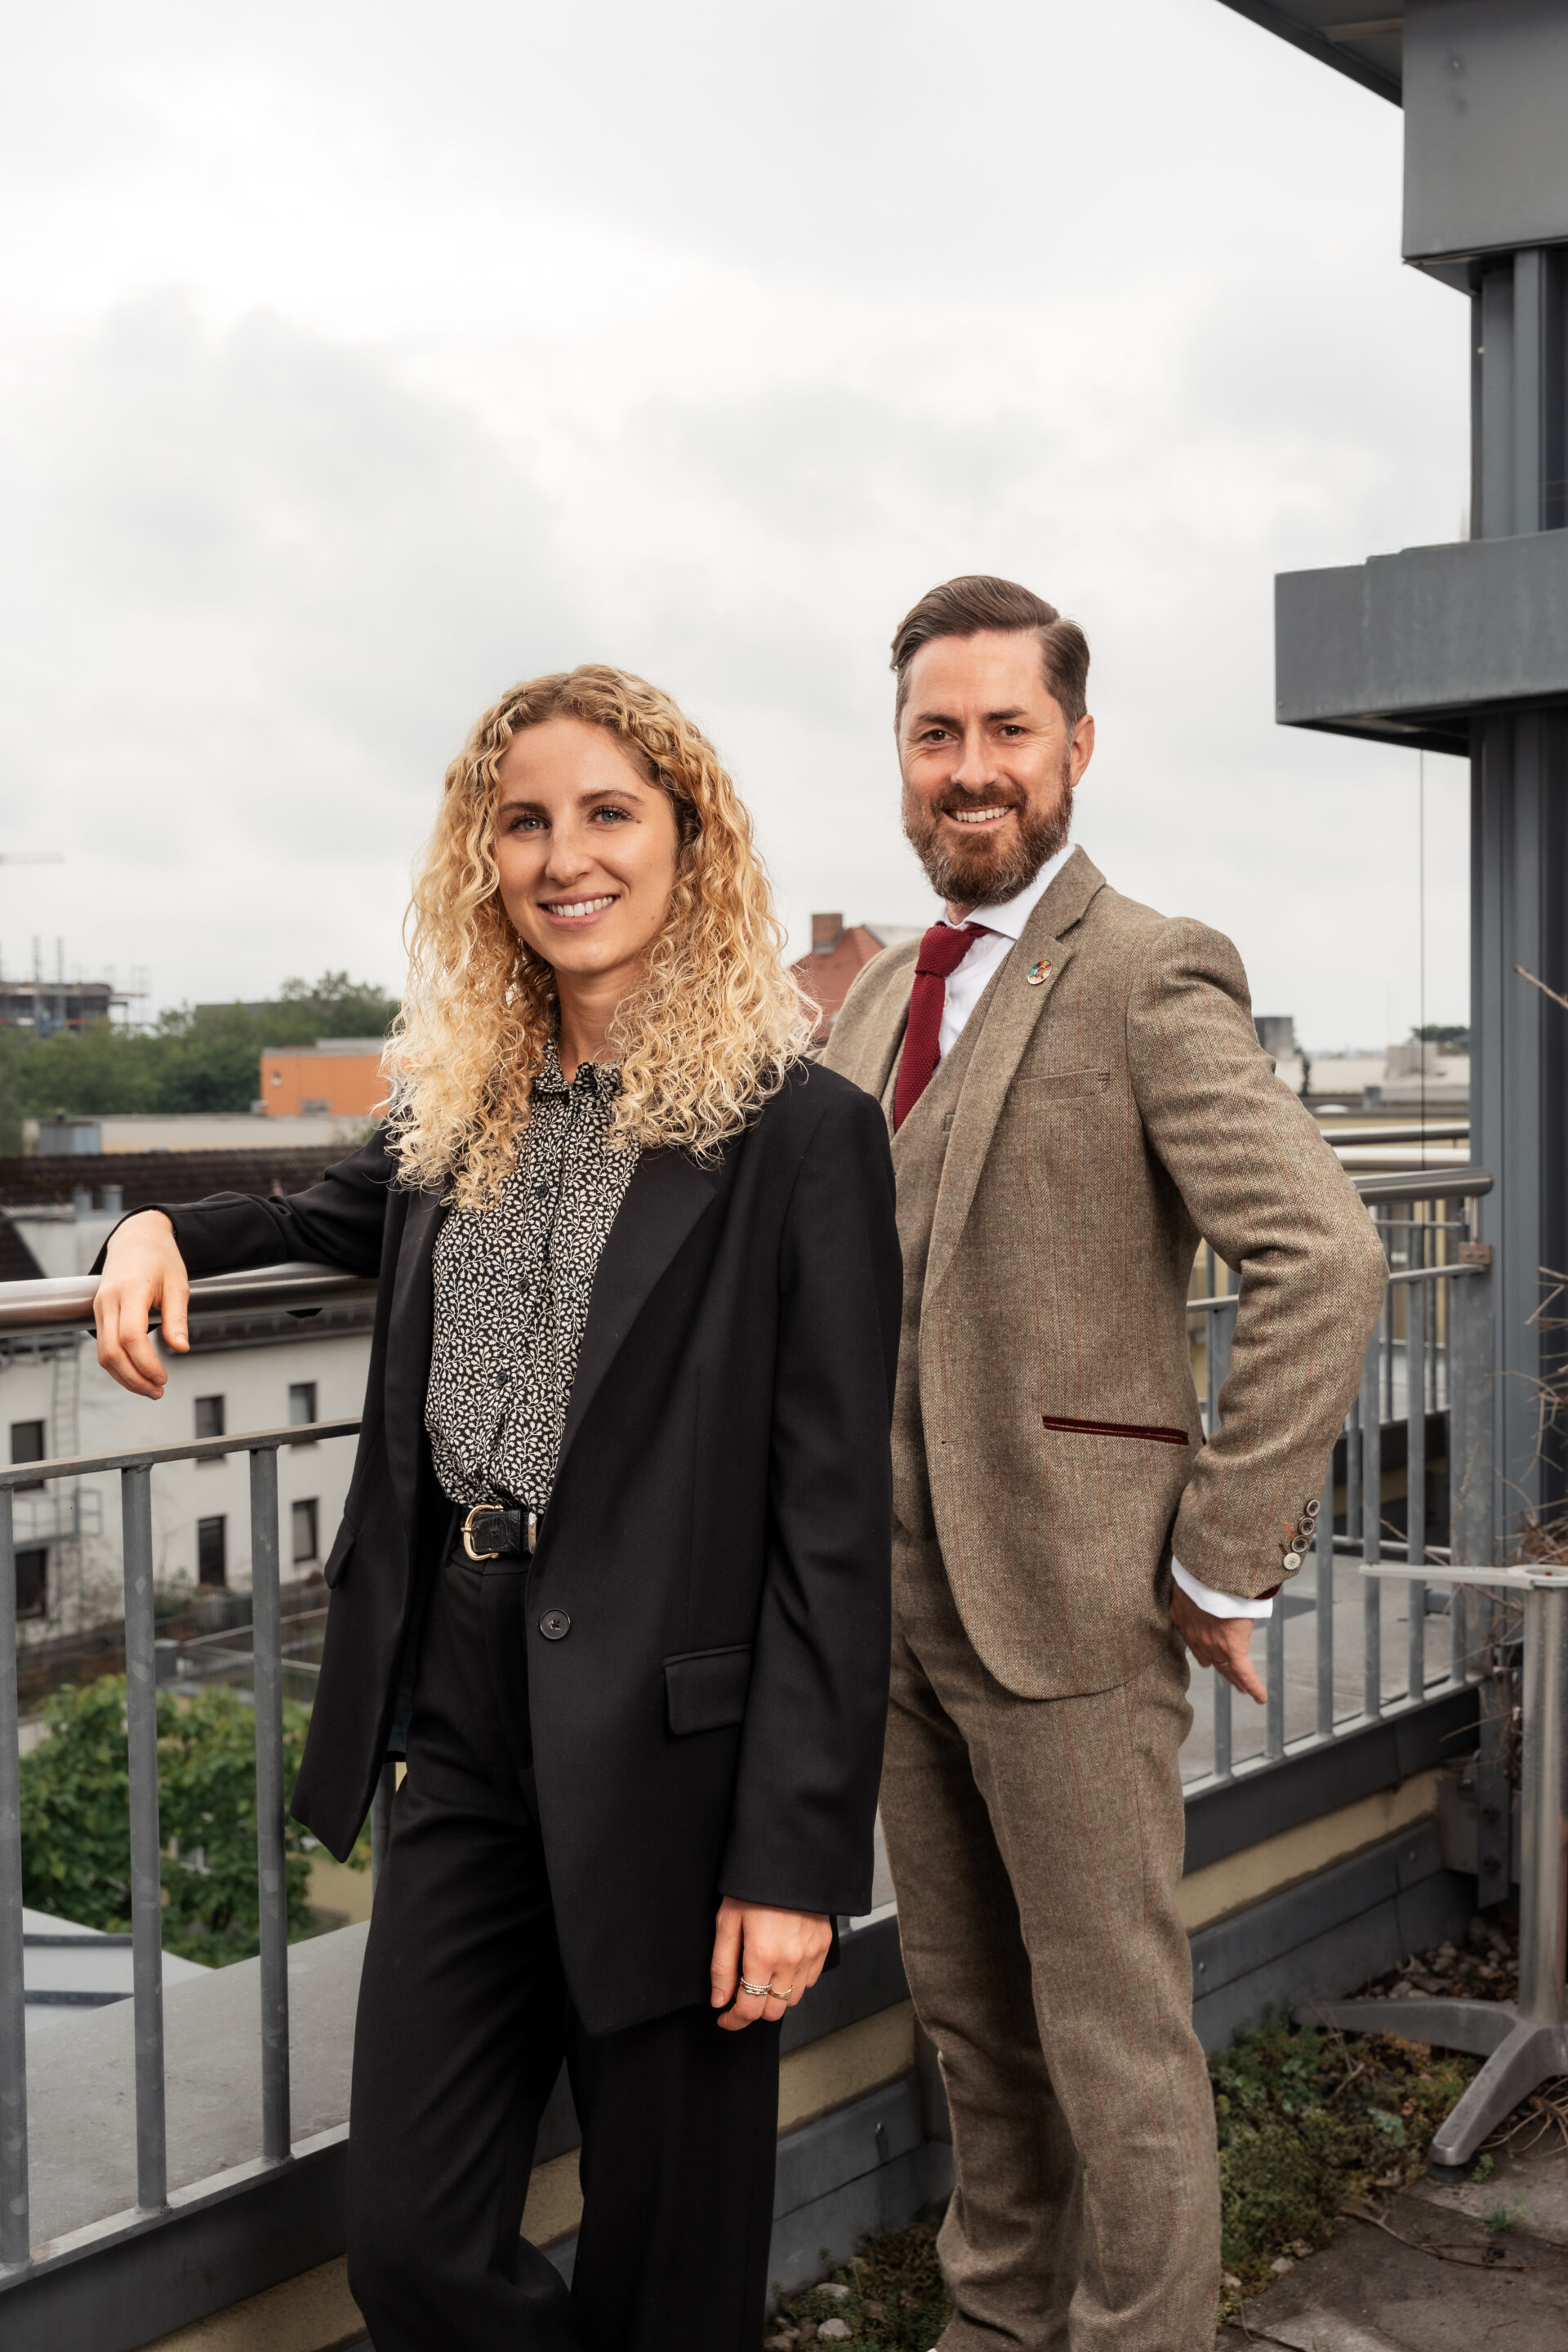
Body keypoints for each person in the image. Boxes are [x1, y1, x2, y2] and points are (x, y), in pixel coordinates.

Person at [92, 666, 902, 2352]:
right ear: (484, 861)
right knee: (410, 2248)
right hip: (462, 1728)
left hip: (683, 1767)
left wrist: (793, 1856)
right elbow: (311, 1212)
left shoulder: (798, 1135)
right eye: (523, 821)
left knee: (673, 2278)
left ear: (691, 844)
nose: (564, 856)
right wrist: (151, 1235)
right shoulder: (462, 1111)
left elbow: (832, 1521)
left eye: (609, 813)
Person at [822, 577, 1387, 2352]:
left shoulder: (1149, 969)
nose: (969, 768)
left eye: (1006, 729)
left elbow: (1327, 1256)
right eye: (937, 734)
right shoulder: (859, 1013)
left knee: (1117, 2055)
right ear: (901, 761)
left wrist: (1219, 1557)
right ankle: (998, 2334)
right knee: (978, 2048)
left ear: (1077, 746)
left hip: (1068, 1609)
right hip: (891, 1618)